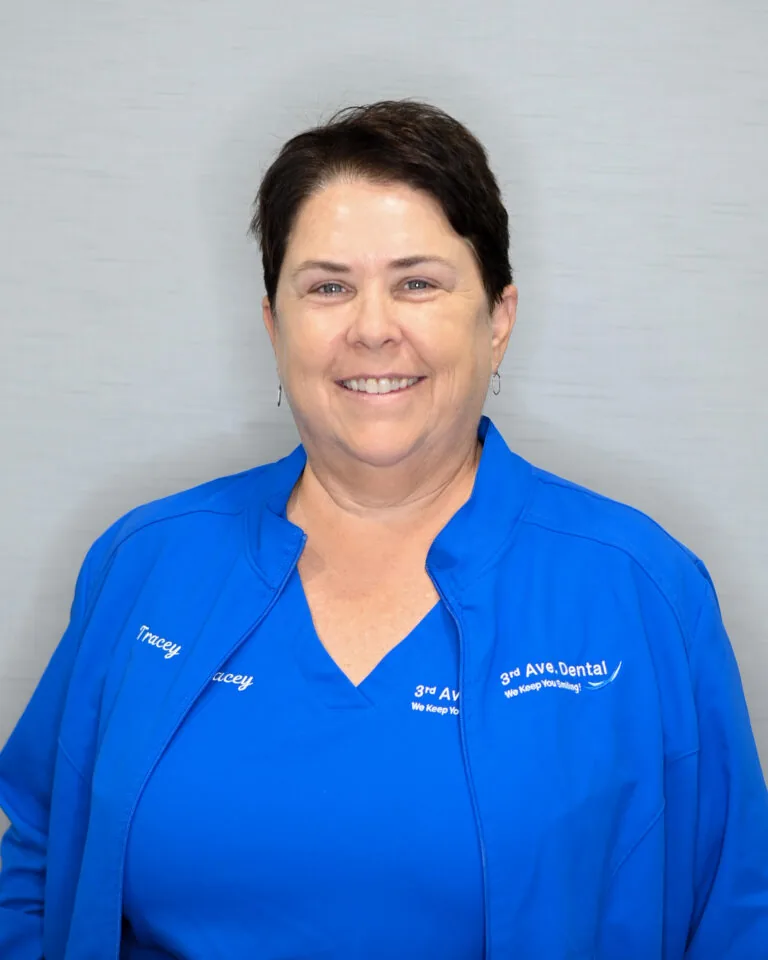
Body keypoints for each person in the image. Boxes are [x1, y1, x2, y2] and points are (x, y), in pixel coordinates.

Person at [0, 98, 767, 960]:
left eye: (419, 283)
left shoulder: (640, 590)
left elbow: (735, 916)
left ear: (499, 318)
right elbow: (33, 857)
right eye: (327, 287)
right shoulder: (146, 564)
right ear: (273, 324)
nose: (371, 328)